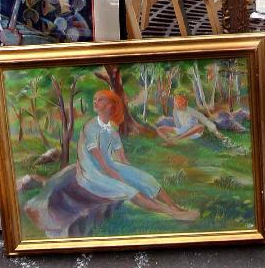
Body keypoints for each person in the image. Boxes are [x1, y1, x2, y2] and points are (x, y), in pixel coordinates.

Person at [76, 90, 200, 220]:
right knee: (130, 190)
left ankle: (175, 207)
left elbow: (123, 159)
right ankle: (172, 213)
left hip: (110, 166)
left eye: (100, 99)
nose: (95, 102)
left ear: (111, 105)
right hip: (93, 172)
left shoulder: (112, 130)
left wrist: (134, 174)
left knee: (146, 179)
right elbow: (101, 163)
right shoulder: (90, 127)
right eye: (95, 99)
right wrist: (121, 179)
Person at [156, 94, 228, 143]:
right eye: (175, 104)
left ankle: (178, 138)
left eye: (177, 104)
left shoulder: (191, 111)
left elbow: (205, 120)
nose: (175, 105)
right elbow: (177, 124)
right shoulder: (175, 111)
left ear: (183, 104)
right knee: (160, 129)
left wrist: (216, 132)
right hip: (182, 130)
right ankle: (170, 141)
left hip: (194, 132)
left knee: (200, 126)